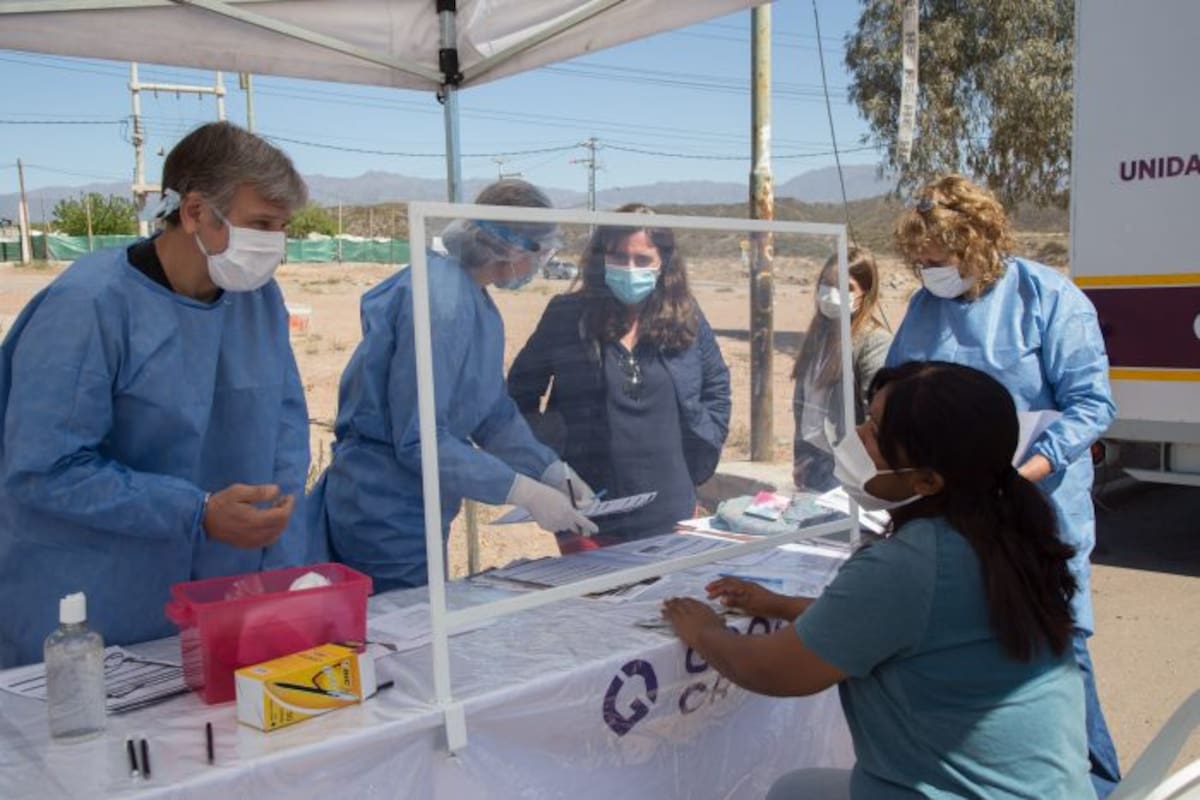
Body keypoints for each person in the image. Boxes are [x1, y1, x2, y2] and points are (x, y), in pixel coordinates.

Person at [663, 361, 1096, 799]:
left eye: (874, 433)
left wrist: (705, 632)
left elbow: (772, 670)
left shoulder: (913, 562)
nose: (858, 438)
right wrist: (778, 605)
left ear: (927, 481)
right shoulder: (999, 530)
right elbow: (916, 627)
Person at [0, 122, 311, 667]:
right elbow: (44, 470)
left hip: (222, 593)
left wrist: (277, 560)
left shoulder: (257, 300)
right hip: (92, 604)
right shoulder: (89, 305)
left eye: (282, 227)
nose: (274, 246)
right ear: (194, 212)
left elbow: (284, 427)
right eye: (261, 224)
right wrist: (194, 511)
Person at [885, 174, 1120, 796]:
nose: (928, 269)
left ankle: (1096, 783)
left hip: (1033, 508)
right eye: (919, 259)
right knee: (978, 643)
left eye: (939, 257)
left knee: (1057, 650)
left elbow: (1090, 406)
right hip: (951, 510)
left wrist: (1017, 476)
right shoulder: (924, 305)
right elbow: (898, 389)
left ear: (981, 241)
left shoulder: (1048, 297)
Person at [310, 179, 596, 592]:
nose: (543, 263)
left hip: (417, 504)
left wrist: (550, 470)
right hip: (384, 505)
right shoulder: (439, 300)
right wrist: (521, 491)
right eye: (544, 251)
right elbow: (419, 439)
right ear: (514, 248)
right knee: (405, 633)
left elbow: (493, 414)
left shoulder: (474, 301)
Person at [507, 203, 731, 551]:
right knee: (596, 603)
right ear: (601, 259)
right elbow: (520, 392)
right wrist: (549, 463)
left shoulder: (686, 316)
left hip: (671, 509)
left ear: (663, 264)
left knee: (667, 604)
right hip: (587, 511)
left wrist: (706, 445)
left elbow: (716, 388)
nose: (630, 268)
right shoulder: (568, 315)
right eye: (618, 257)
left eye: (642, 260)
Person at [791, 247, 891, 491]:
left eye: (846, 288)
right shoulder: (819, 339)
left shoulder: (872, 342)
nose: (831, 294)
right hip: (817, 465)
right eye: (826, 284)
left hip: (851, 474)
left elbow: (875, 415)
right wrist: (802, 457)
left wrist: (860, 473)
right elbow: (805, 408)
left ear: (865, 294)